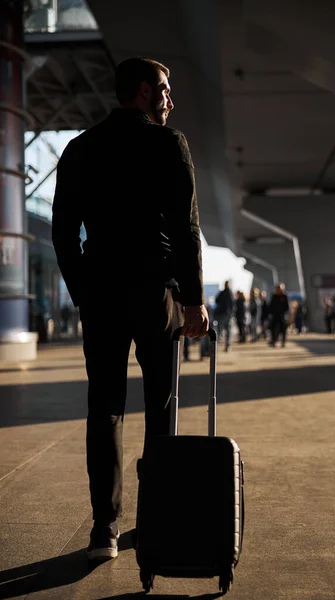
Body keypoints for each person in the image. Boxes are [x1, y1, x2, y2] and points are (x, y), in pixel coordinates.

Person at [52, 57, 209, 561]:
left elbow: (62, 232)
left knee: (105, 410)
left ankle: (106, 529)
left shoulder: (80, 149)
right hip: (156, 294)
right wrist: (193, 300)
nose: (170, 99)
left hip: (102, 294)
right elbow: (186, 231)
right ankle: (155, 519)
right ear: (143, 91)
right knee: (161, 407)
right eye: (164, 89)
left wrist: (84, 292)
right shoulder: (168, 144)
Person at [214, 281, 234, 352]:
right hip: (228, 315)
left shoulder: (222, 293)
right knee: (228, 331)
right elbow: (233, 304)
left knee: (219, 330)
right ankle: (227, 346)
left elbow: (216, 300)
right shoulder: (231, 293)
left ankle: (216, 345)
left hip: (221, 315)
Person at [268, 283, 289, 347]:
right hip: (275, 315)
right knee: (273, 329)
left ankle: (283, 342)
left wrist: (285, 313)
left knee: (283, 329)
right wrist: (271, 313)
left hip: (282, 316)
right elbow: (271, 306)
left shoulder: (284, 296)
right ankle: (274, 341)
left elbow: (287, 306)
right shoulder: (274, 296)